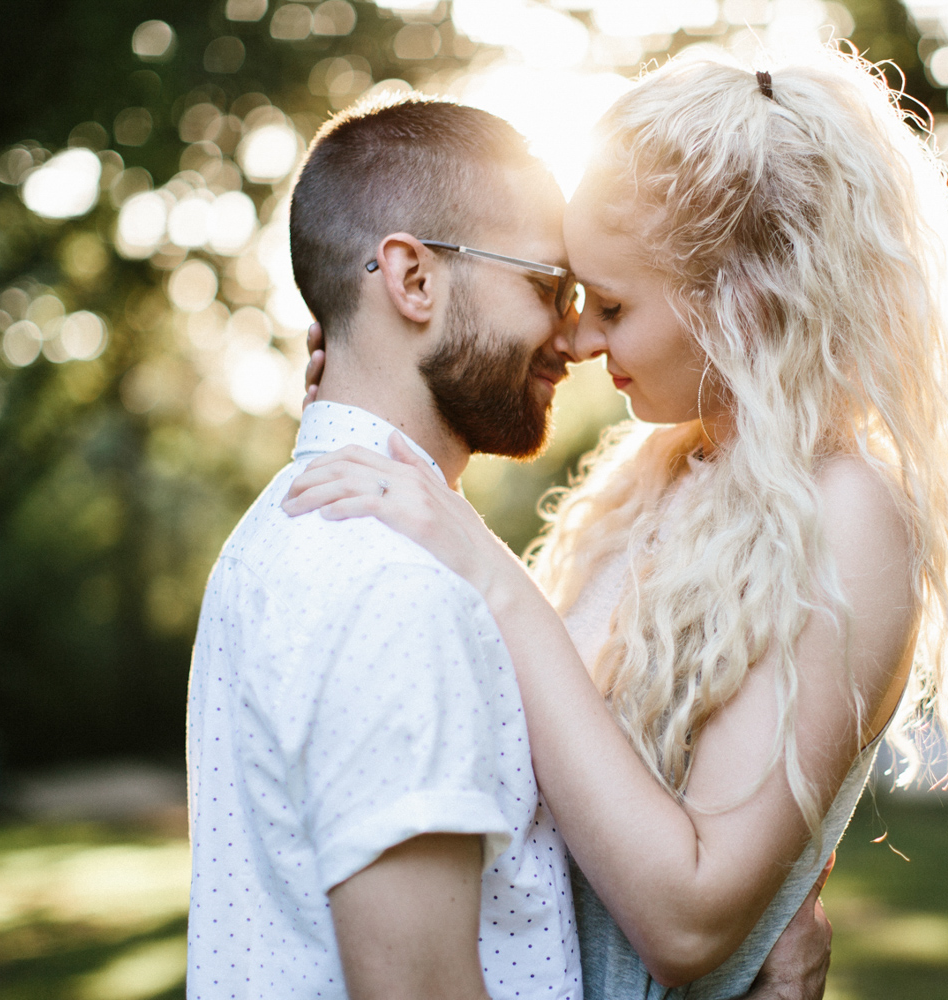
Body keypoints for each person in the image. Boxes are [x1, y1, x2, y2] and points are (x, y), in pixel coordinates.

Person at [286, 50, 948, 1000]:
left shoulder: (851, 511)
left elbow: (687, 918)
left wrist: (494, 574)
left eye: (613, 305)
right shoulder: (662, 473)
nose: (579, 339)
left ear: (744, 300)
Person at [188, 93, 834, 1000]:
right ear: (414, 281)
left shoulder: (285, 534)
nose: (571, 339)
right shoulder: (393, 587)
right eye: (547, 287)